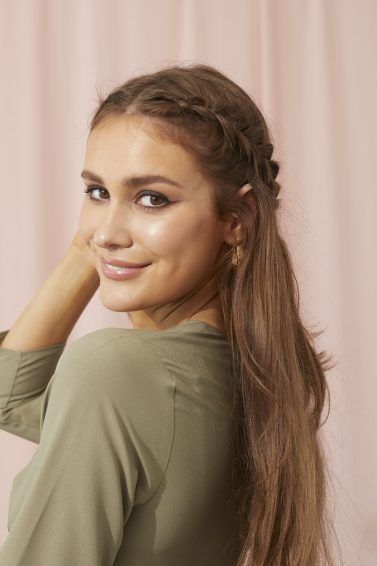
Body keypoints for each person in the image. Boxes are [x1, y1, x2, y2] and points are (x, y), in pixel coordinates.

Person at [0, 63, 339, 565]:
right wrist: (95, 243)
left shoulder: (116, 371)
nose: (109, 228)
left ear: (236, 219)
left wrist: (102, 234)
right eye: (96, 191)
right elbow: (11, 395)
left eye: (152, 198)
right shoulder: (254, 371)